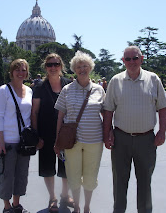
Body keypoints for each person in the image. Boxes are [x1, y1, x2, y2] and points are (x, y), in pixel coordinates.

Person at [103, 46, 166, 213]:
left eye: (135, 58)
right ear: (123, 61)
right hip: (120, 139)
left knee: (145, 182)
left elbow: (162, 107)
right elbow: (108, 110)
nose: (132, 62)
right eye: (128, 59)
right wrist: (107, 133)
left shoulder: (153, 79)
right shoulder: (115, 81)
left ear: (142, 58)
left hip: (146, 140)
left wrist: (162, 132)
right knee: (119, 183)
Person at [54, 51, 105, 213]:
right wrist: (57, 141)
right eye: (78, 67)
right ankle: (76, 206)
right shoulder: (67, 90)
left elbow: (105, 114)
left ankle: (87, 207)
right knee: (74, 176)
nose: (82, 69)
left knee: (90, 177)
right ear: (74, 70)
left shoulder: (99, 90)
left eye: (85, 66)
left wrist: (109, 133)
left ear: (90, 68)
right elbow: (60, 117)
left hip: (95, 141)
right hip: (72, 142)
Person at [31, 53, 74, 212]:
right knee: (48, 166)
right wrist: (37, 135)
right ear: (45, 67)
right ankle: (52, 197)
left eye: (56, 64)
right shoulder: (39, 87)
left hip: (65, 133)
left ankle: (64, 195)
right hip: (46, 132)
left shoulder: (69, 85)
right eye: (50, 65)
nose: (53, 67)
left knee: (66, 167)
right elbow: (34, 112)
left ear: (61, 66)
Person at [0, 59, 32, 213]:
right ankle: (7, 206)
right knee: (7, 175)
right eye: (17, 69)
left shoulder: (30, 90)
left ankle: (16, 204)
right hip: (9, 140)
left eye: (23, 70)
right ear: (11, 72)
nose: (20, 73)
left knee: (21, 174)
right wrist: (0, 140)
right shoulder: (4, 90)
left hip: (24, 142)